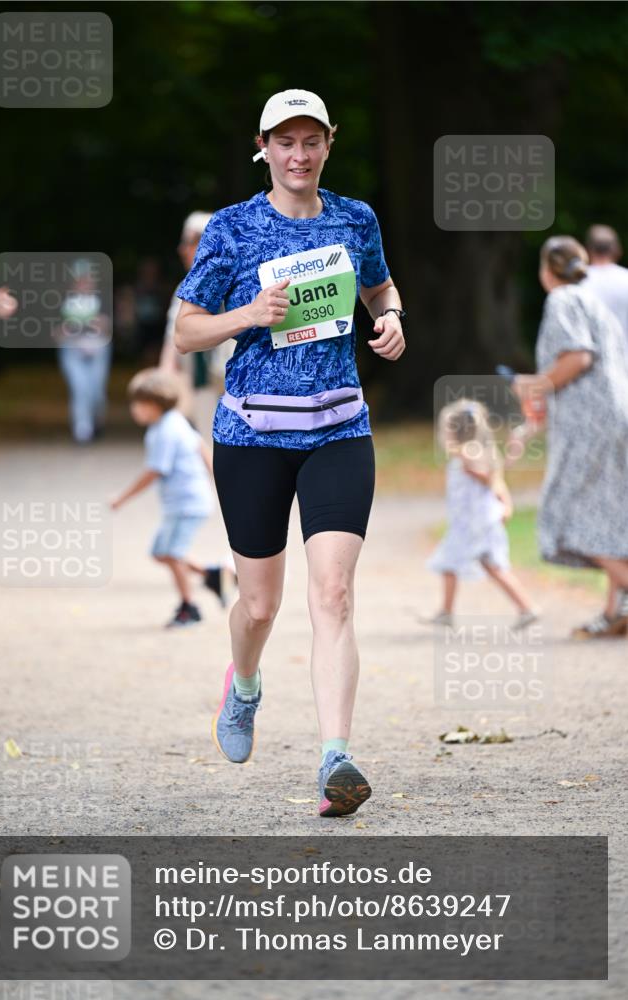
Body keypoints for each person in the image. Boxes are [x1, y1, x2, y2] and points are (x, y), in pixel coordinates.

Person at [175, 89, 405, 817]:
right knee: (259, 602)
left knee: (333, 594)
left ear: (328, 143)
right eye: (285, 142)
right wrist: (245, 315)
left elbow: (377, 287)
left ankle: (336, 756)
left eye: (311, 141)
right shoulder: (233, 228)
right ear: (263, 147)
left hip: (337, 427)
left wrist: (391, 318)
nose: (298, 155)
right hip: (251, 435)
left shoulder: (353, 217)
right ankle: (243, 685)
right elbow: (186, 331)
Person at [514, 236, 628, 639]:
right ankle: (616, 613)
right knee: (610, 513)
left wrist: (536, 384)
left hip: (588, 420)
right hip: (615, 415)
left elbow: (577, 357)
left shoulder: (563, 300)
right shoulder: (594, 302)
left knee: (564, 512)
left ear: (548, 270)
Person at [110, 368, 225, 628]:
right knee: (161, 552)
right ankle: (213, 575)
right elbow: (202, 448)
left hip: (187, 503)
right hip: (185, 502)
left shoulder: (164, 432)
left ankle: (189, 607)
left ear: (156, 405)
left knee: (172, 553)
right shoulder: (175, 421)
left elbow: (154, 472)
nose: (135, 411)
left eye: (140, 405)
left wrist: (122, 498)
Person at [425, 399, 538, 628]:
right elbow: (496, 478)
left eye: (447, 430)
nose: (444, 436)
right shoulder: (467, 455)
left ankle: (527, 608)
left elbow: (491, 478)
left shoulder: (469, 454)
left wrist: (503, 502)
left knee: (492, 566)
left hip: (478, 524)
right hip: (466, 525)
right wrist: (505, 502)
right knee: (452, 563)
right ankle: (446, 612)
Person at [583, 224, 628, 630]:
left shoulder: (579, 286)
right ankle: (614, 610)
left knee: (597, 504)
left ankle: (617, 604)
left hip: (596, 404)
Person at [159, 211, 233, 443]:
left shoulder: (239, 278)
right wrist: (166, 376)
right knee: (208, 436)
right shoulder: (188, 286)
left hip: (235, 376)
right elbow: (174, 336)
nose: (182, 250)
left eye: (188, 242)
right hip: (202, 379)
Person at [56, 259, 112, 444]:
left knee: (96, 390)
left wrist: (101, 324)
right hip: (71, 349)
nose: (84, 283)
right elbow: (54, 331)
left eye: (87, 279)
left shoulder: (103, 299)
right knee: (80, 387)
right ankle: (82, 430)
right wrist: (64, 330)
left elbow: (112, 327)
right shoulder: (60, 301)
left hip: (98, 349)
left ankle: (97, 422)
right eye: (80, 279)